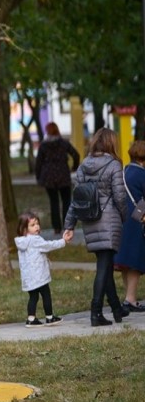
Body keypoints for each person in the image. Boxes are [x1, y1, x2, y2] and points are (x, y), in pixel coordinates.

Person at [63, 128, 128, 327]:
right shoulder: (114, 165)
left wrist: (69, 224)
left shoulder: (83, 166)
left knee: (105, 264)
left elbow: (77, 198)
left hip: (90, 220)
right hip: (109, 220)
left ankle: (116, 308)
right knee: (103, 267)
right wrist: (124, 217)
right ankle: (96, 311)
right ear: (110, 143)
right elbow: (119, 197)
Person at [15, 211, 67, 328]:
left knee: (33, 297)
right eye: (33, 225)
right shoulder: (35, 240)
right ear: (24, 228)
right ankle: (49, 317)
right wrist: (63, 241)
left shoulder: (22, 241)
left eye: (37, 224)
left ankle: (31, 318)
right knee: (46, 294)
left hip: (29, 277)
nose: (37, 227)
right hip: (39, 276)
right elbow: (49, 245)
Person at [114, 140, 145, 313]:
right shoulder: (142, 175)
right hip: (137, 221)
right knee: (135, 262)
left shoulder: (124, 171)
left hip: (122, 218)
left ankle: (128, 296)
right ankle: (131, 299)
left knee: (125, 260)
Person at [35, 122, 80, 234]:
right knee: (66, 201)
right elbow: (76, 155)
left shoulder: (44, 146)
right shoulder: (63, 143)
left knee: (53, 202)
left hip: (49, 178)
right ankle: (67, 226)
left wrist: (39, 176)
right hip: (63, 175)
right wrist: (74, 167)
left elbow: (38, 162)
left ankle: (56, 227)